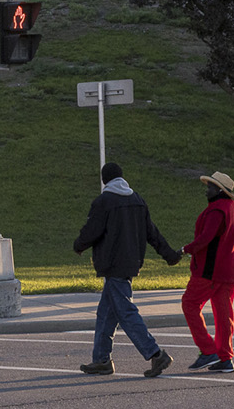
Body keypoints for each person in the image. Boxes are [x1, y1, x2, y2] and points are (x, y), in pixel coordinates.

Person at [72, 161, 181, 378]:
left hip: (112, 265)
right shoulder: (137, 200)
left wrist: (78, 245)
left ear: (105, 180)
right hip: (130, 263)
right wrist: (169, 254)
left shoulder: (104, 202)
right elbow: (152, 233)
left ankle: (155, 354)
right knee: (106, 313)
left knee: (126, 312)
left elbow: (92, 230)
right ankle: (101, 360)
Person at [180, 170, 234, 374]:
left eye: (210, 187)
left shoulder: (217, 210)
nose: (207, 191)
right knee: (224, 313)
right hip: (228, 271)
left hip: (210, 270)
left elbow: (205, 239)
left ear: (219, 190)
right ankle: (225, 357)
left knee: (190, 303)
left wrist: (185, 249)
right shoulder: (231, 207)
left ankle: (208, 350)